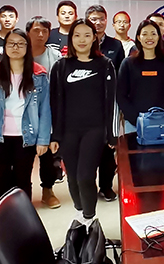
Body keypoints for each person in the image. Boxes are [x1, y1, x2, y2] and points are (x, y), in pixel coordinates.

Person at [50, 19, 117, 224]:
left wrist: (111, 134)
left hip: (94, 130)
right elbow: (55, 103)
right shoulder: (61, 66)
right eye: (77, 35)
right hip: (69, 130)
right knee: (72, 177)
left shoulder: (105, 64)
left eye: (87, 35)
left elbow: (111, 101)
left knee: (85, 176)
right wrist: (55, 135)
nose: (82, 40)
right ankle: (80, 213)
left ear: (94, 38)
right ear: (71, 38)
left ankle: (89, 217)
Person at [0, 29, 51, 202]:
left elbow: (45, 110)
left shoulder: (39, 75)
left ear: (27, 47)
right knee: (2, 180)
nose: (16, 47)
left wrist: (43, 139)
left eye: (21, 44)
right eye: (11, 43)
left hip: (26, 136)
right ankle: (3, 216)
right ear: (5, 47)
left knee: (23, 180)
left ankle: (23, 216)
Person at [85, 5, 123, 202]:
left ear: (107, 21)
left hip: (109, 103)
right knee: (89, 149)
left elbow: (121, 74)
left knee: (109, 147)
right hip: (87, 103)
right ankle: (88, 186)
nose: (98, 22)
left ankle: (106, 186)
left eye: (101, 18)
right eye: (93, 19)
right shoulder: (82, 42)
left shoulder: (116, 45)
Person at [26, 16, 63, 208]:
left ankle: (47, 190)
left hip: (48, 111)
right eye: (36, 30)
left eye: (44, 31)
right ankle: (22, 194)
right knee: (23, 156)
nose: (40, 34)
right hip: (23, 113)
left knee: (48, 155)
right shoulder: (20, 53)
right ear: (28, 33)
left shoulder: (55, 56)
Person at [117, 20, 164, 134]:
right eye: (145, 34)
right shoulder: (128, 63)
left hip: (163, 121)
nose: (149, 37)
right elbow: (121, 95)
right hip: (134, 124)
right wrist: (136, 119)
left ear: (159, 37)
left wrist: (161, 115)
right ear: (138, 38)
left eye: (153, 34)